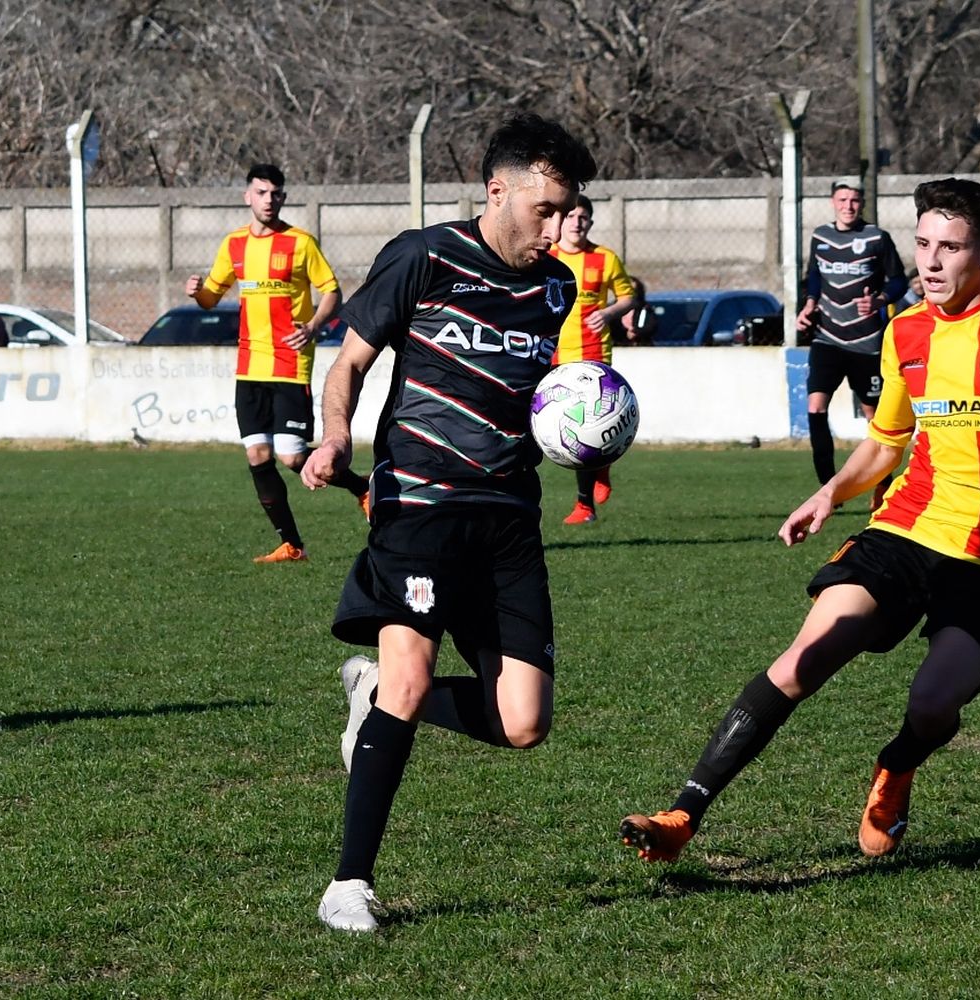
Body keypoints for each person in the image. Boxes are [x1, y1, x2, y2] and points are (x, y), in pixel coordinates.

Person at [618, 178, 980, 865]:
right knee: (800, 661)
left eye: (949, 248)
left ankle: (897, 766)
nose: (930, 262)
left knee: (931, 703)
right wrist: (833, 492)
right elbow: (887, 441)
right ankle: (682, 815)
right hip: (905, 530)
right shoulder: (906, 330)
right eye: (923, 244)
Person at [301, 112, 597, 933]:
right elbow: (352, 360)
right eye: (544, 210)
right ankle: (349, 886)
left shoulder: (556, 288)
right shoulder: (422, 255)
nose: (556, 228)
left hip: (507, 519)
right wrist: (335, 435)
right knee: (409, 672)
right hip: (418, 507)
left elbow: (539, 399)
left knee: (524, 723)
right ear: (497, 190)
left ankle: (373, 693)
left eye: (566, 211)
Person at [186, 163, 370, 563]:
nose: (269, 200)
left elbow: (332, 290)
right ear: (247, 196)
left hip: (289, 364)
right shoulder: (234, 244)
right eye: (261, 192)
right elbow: (212, 297)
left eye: (275, 193)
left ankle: (363, 488)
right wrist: (197, 292)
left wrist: (315, 324)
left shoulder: (300, 242)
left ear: (283, 198)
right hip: (249, 366)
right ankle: (292, 545)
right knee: (257, 456)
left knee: (291, 457)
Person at [795, 177, 907, 487]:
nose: (849, 206)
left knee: (875, 416)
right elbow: (814, 277)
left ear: (862, 203)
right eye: (843, 200)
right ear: (833, 202)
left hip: (866, 342)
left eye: (855, 200)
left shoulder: (877, 238)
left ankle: (884, 484)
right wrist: (809, 304)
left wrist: (879, 300)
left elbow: (898, 281)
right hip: (827, 337)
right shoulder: (821, 237)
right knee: (816, 406)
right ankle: (828, 484)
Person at [548, 194, 635, 524]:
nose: (576, 222)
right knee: (557, 428)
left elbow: (628, 297)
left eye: (582, 217)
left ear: (590, 222)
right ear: (561, 220)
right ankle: (600, 467)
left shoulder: (605, 258)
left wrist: (609, 313)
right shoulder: (547, 256)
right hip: (552, 353)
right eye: (570, 216)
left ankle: (585, 506)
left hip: (593, 353)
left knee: (587, 428)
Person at [621, 277, 659, 346]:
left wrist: (635, 332)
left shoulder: (645, 309)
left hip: (641, 346)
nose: (630, 294)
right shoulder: (615, 311)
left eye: (634, 291)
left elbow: (650, 327)